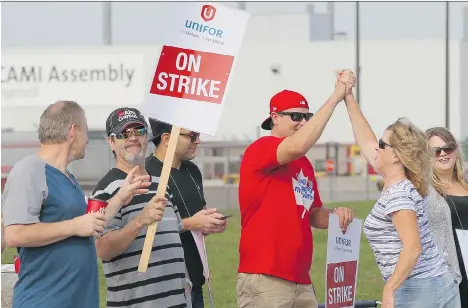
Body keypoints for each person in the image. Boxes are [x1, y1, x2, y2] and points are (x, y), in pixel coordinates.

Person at [1, 101, 150, 308]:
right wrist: (75, 226)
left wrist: (121, 196)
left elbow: (90, 223)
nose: (87, 140)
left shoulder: (67, 176)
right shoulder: (29, 170)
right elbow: (15, 234)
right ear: (73, 132)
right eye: (86, 131)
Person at [236, 71, 355, 308]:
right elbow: (299, 145)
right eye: (296, 116)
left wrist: (335, 217)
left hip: (301, 281)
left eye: (306, 116)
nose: (302, 122)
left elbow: (312, 213)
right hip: (266, 280)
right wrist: (335, 98)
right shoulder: (261, 148)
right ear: (275, 117)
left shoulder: (303, 164)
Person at [342, 72, 460, 308]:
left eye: (382, 144)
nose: (377, 148)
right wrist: (348, 97)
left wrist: (390, 288)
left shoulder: (399, 193)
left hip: (419, 288)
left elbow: (413, 247)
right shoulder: (402, 180)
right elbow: (365, 139)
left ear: (396, 155)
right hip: (428, 285)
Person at [145, 118, 227, 308]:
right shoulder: (147, 173)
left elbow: (198, 215)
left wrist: (210, 223)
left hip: (194, 279)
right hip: (163, 283)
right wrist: (191, 223)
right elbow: (145, 228)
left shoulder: (193, 170)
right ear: (167, 139)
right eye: (192, 136)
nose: (197, 141)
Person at [426, 127, 468, 307]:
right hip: (449, 272)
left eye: (447, 148)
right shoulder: (424, 190)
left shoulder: (466, 182)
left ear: (456, 150)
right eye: (435, 151)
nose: (442, 153)